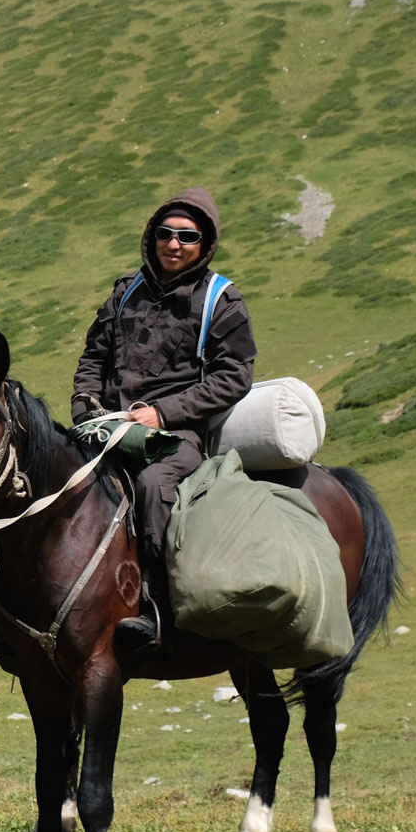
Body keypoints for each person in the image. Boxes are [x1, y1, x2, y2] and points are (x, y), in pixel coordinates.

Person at [71, 187, 256, 652]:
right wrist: (84, 403)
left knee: (153, 485)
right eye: (165, 233)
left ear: (205, 243)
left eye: (187, 237)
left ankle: (156, 607)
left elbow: (234, 377)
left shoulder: (221, 300)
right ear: (151, 236)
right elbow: (93, 356)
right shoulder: (125, 291)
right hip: (107, 425)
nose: (174, 244)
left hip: (175, 436)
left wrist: (164, 412)